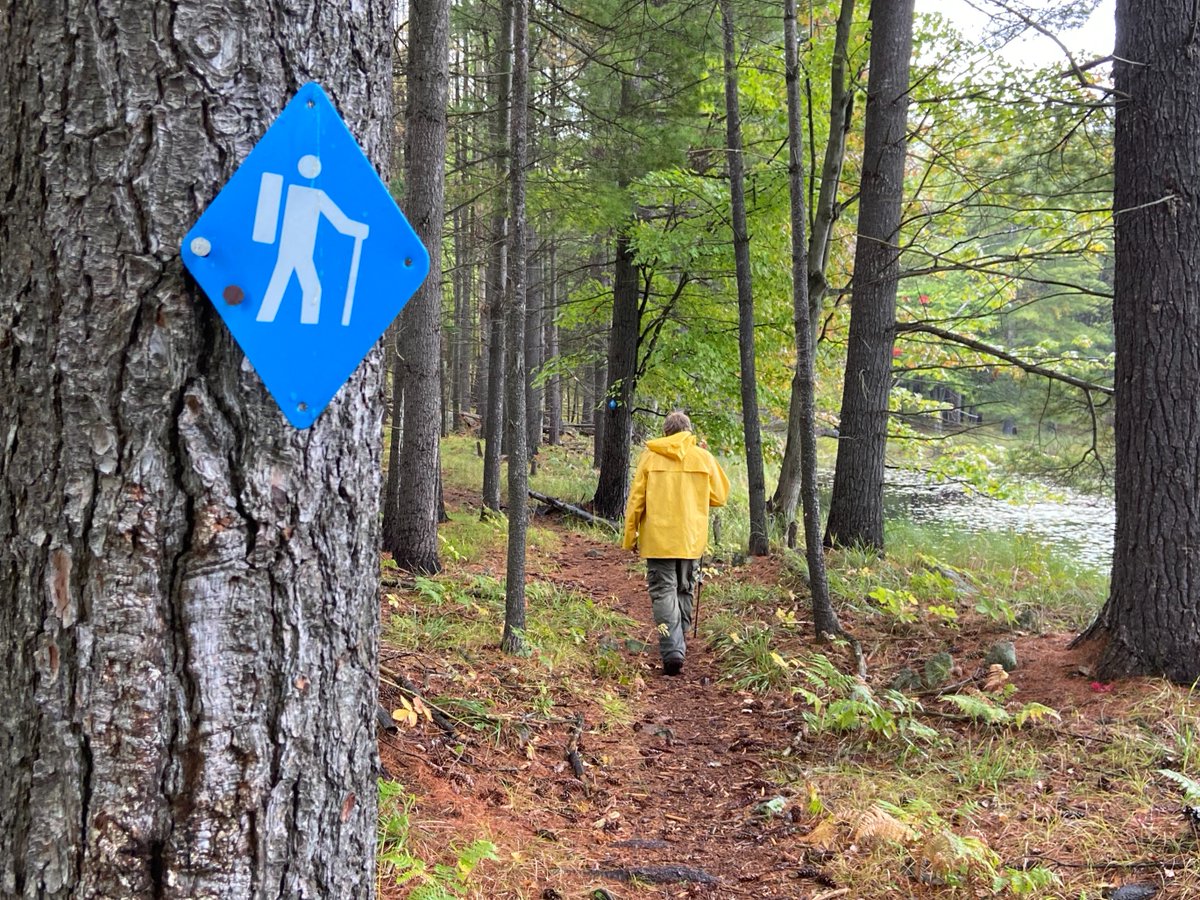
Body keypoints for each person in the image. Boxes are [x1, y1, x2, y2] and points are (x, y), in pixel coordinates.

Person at [622, 411, 730, 676]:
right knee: (684, 589)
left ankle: (672, 650)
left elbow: (636, 500)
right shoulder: (703, 457)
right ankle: (677, 640)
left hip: (659, 539)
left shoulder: (650, 456)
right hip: (691, 538)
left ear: (665, 433)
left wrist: (630, 537)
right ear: (688, 431)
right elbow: (720, 496)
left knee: (663, 591)